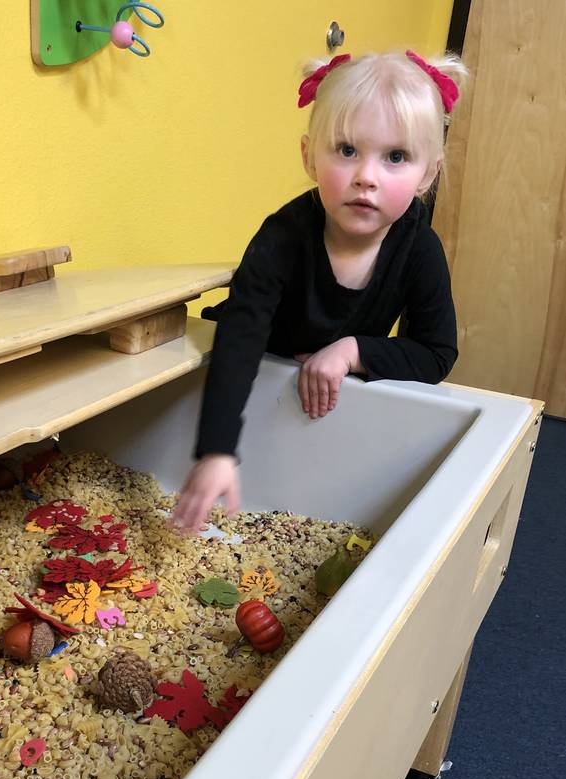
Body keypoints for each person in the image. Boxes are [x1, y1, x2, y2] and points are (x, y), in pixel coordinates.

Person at [171, 48, 468, 534]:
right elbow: (240, 342)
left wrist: (353, 351)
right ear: (310, 157)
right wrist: (217, 451)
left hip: (318, 395)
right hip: (255, 365)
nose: (366, 177)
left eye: (395, 157)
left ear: (427, 175)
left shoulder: (420, 249)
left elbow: (437, 353)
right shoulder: (283, 235)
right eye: (347, 150)